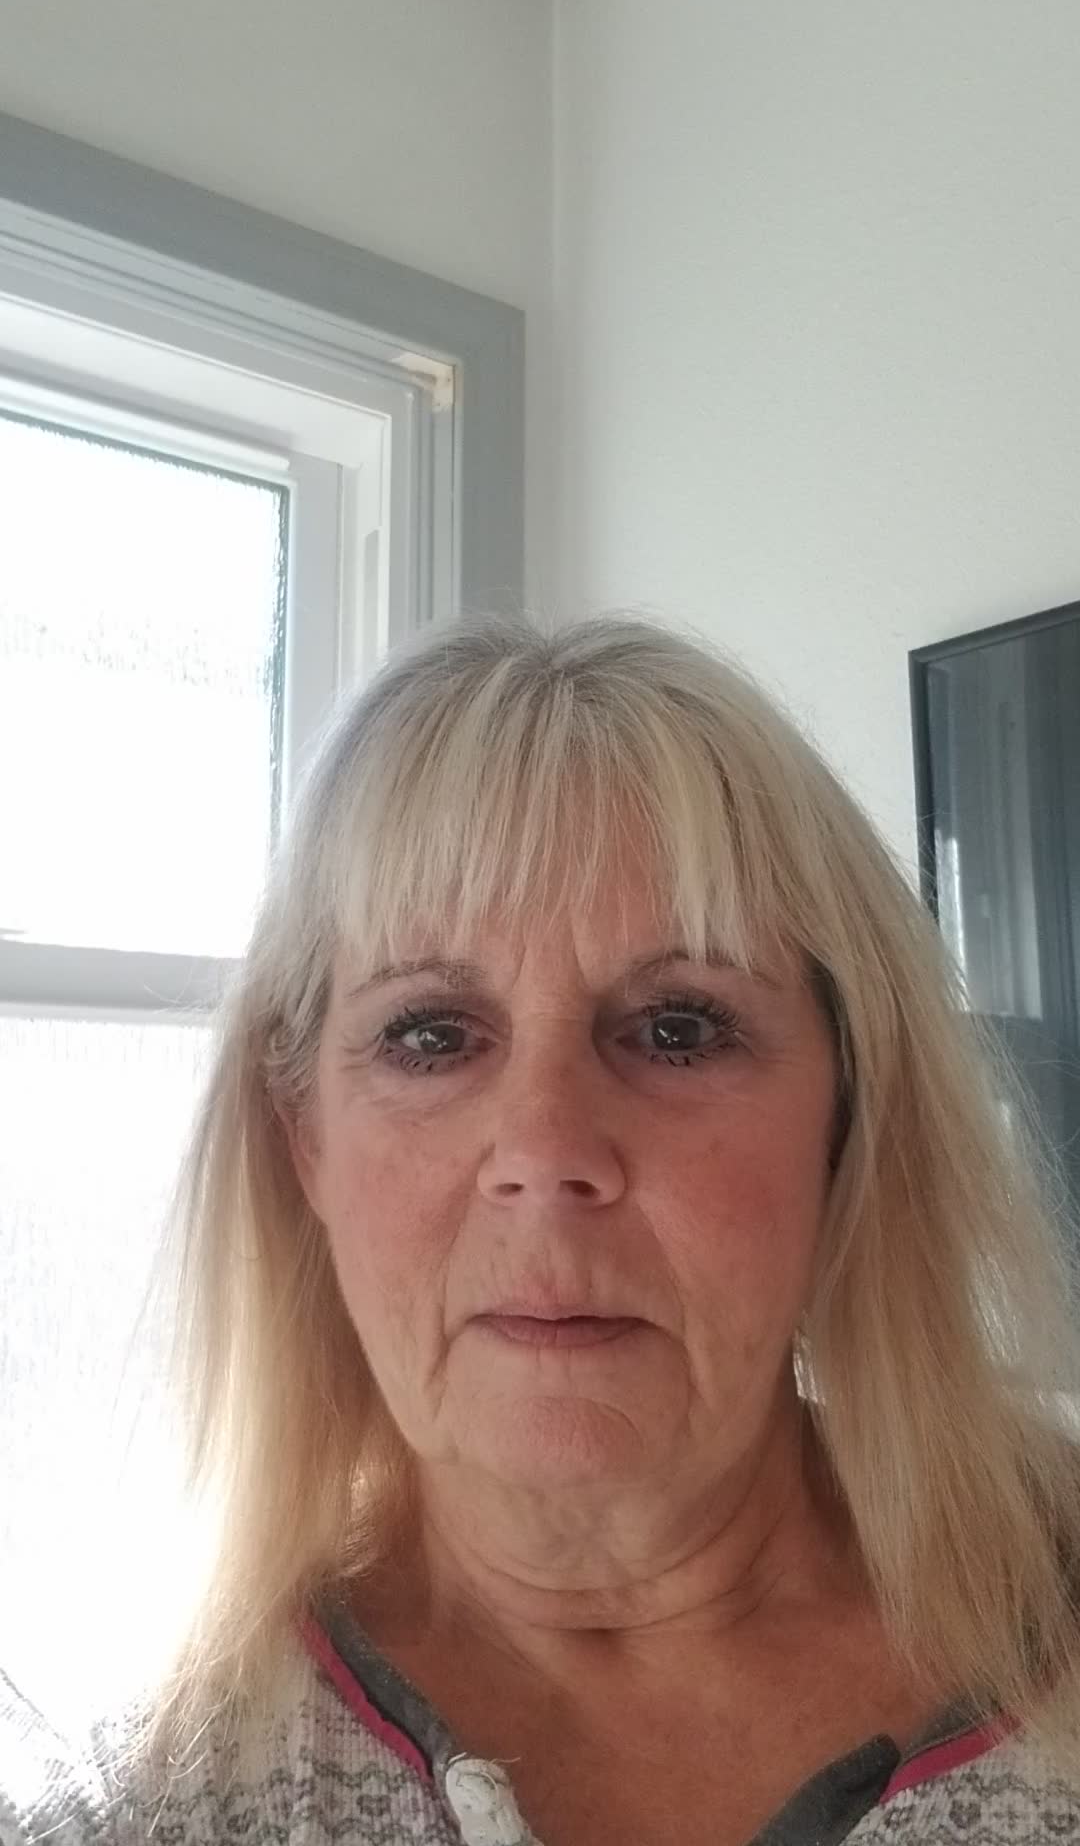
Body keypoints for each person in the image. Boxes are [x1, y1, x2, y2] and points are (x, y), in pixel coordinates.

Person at [4, 612, 1080, 1846]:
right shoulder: (137, 1806)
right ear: (304, 1138)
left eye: (678, 1028)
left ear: (849, 1113)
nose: (545, 1152)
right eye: (431, 1035)